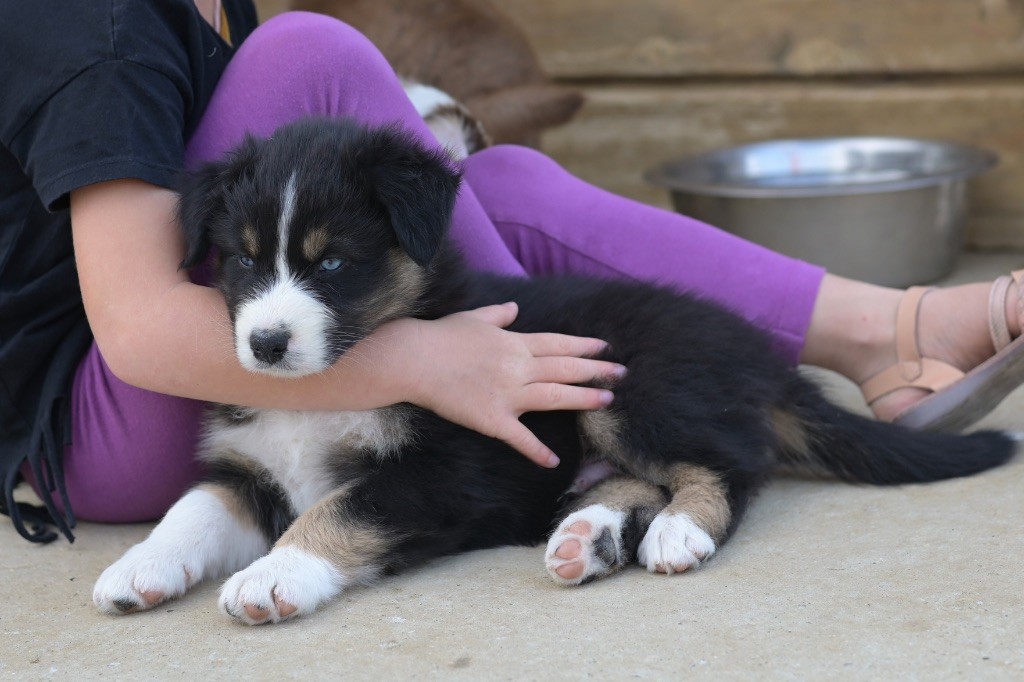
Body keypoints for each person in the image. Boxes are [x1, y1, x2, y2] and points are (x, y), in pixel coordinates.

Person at [2, 0, 1021, 544]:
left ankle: (888, 331)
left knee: (503, 182)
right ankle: (538, 421)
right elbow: (137, 327)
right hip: (97, 425)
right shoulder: (95, 28)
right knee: (307, 52)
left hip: (211, 368)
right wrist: (428, 359)